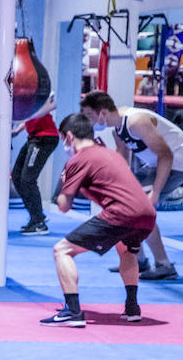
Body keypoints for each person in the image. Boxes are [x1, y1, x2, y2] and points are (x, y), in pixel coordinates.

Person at [40, 114, 156, 328]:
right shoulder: (109, 154)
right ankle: (132, 308)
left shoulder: (77, 159)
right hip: (147, 214)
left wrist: (64, 179)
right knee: (126, 249)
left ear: (68, 137)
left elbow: (64, 206)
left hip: (122, 213)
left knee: (62, 250)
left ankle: (72, 311)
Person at [80, 90, 183, 279]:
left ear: (102, 112)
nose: (88, 121)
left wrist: (155, 192)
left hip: (178, 163)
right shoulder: (118, 129)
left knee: (139, 209)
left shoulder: (136, 121)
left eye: (90, 116)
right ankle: (138, 260)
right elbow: (121, 160)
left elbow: (166, 155)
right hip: (155, 164)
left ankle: (164, 265)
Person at [12, 94, 59, 235]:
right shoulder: (23, 91)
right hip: (34, 137)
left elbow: (51, 105)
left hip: (45, 138)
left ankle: (39, 222)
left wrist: (25, 118)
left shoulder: (40, 87)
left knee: (27, 179)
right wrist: (18, 130)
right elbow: (29, 116)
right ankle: (36, 216)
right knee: (16, 176)